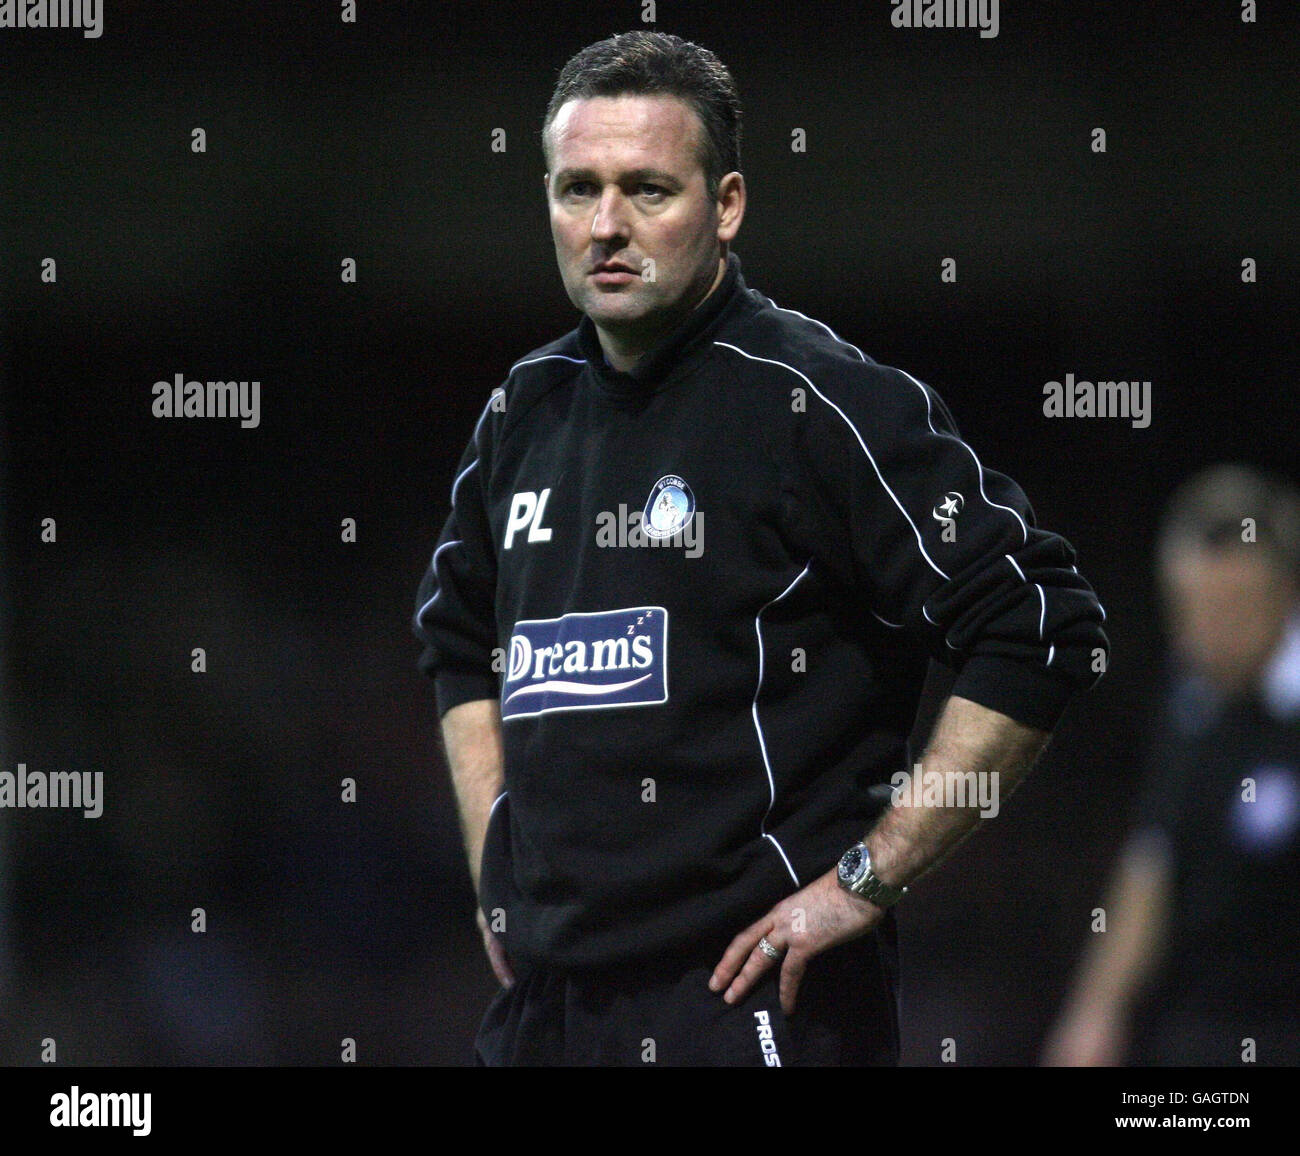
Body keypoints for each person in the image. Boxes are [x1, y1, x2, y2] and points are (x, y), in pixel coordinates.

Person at [413, 30, 1109, 1066]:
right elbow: (458, 636)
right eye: (576, 189)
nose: (605, 226)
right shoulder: (522, 411)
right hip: (551, 1009)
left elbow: (1039, 622)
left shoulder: (816, 403)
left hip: (748, 996)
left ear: (726, 204)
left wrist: (865, 880)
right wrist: (493, 872)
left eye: (647, 190)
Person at [1043, 464, 1300, 1067]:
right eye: (1187, 611)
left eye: (1227, 612)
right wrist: (1095, 1010)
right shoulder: (1192, 706)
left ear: (1286, 594)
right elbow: (1152, 861)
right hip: (1206, 1021)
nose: (1198, 639)